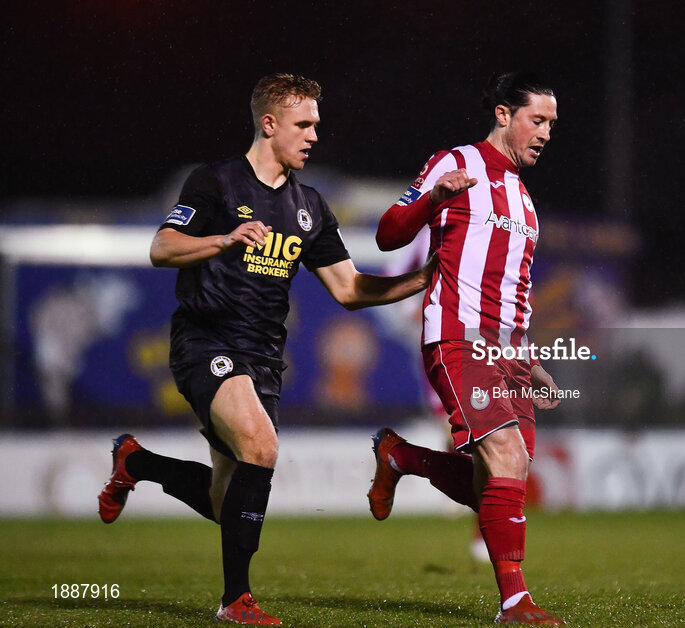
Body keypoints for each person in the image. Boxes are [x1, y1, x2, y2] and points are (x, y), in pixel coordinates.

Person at [97, 73, 435, 626]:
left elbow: (350, 289)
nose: (313, 136)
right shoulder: (215, 183)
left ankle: (135, 461)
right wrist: (223, 238)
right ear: (269, 124)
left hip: (262, 361)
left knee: (221, 502)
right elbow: (162, 247)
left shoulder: (309, 207)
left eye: (317, 126)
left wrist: (423, 278)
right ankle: (236, 601)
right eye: (303, 125)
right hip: (204, 341)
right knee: (261, 445)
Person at [367, 72, 566, 626]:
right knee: (506, 460)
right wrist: (434, 196)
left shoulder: (525, 202)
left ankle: (401, 456)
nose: (547, 133)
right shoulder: (453, 163)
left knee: (502, 482)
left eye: (552, 124)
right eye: (538, 120)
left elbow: (515, 293)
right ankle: (515, 602)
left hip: (509, 353)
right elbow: (387, 234)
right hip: (457, 339)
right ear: (504, 114)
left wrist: (529, 358)